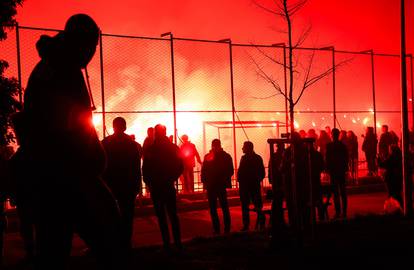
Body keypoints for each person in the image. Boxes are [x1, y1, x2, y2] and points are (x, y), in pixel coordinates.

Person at [23, 14, 125, 269]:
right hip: (66, 178)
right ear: (79, 42)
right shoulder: (62, 71)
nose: (91, 53)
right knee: (106, 240)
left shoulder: (55, 65)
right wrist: (91, 155)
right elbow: (67, 130)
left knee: (56, 247)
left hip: (61, 177)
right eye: (90, 46)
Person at [102, 117, 142, 249]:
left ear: (113, 127)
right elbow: (136, 167)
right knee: (127, 216)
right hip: (128, 186)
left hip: (110, 186)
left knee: (110, 216)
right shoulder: (132, 145)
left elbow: (101, 165)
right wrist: (137, 186)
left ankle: (112, 243)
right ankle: (125, 243)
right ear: (125, 127)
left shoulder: (105, 143)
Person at [142, 124, 183, 250]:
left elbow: (146, 169)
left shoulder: (150, 149)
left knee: (161, 217)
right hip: (168, 185)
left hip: (156, 187)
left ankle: (167, 244)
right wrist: (171, 177)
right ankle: (177, 243)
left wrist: (150, 183)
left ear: (155, 133)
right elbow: (180, 166)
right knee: (173, 215)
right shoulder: (173, 148)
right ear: (165, 132)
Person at [201, 139, 233, 234]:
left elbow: (204, 171)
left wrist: (205, 182)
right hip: (221, 185)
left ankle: (216, 229)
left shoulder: (208, 157)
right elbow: (230, 171)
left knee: (213, 208)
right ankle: (227, 228)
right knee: (224, 207)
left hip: (211, 186)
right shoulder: (226, 156)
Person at [237, 141, 265, 231]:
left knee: (245, 206)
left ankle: (246, 225)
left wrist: (241, 180)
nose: (242, 148)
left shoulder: (244, 158)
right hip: (254, 185)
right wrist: (257, 180)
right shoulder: (257, 158)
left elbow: (241, 172)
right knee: (257, 205)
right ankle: (261, 223)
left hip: (246, 186)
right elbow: (262, 173)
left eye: (243, 147)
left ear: (248, 148)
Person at [326, 128, 349, 219]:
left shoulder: (329, 146)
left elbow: (327, 158)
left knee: (335, 193)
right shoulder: (342, 146)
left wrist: (328, 169)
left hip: (334, 171)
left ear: (332, 135)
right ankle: (344, 212)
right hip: (341, 171)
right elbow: (346, 158)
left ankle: (338, 212)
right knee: (343, 192)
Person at [268, 142, 286, 246]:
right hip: (283, 181)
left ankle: (277, 220)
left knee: (277, 201)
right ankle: (279, 220)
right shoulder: (286, 155)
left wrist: (271, 179)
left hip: (278, 181)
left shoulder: (275, 156)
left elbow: (271, 168)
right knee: (279, 201)